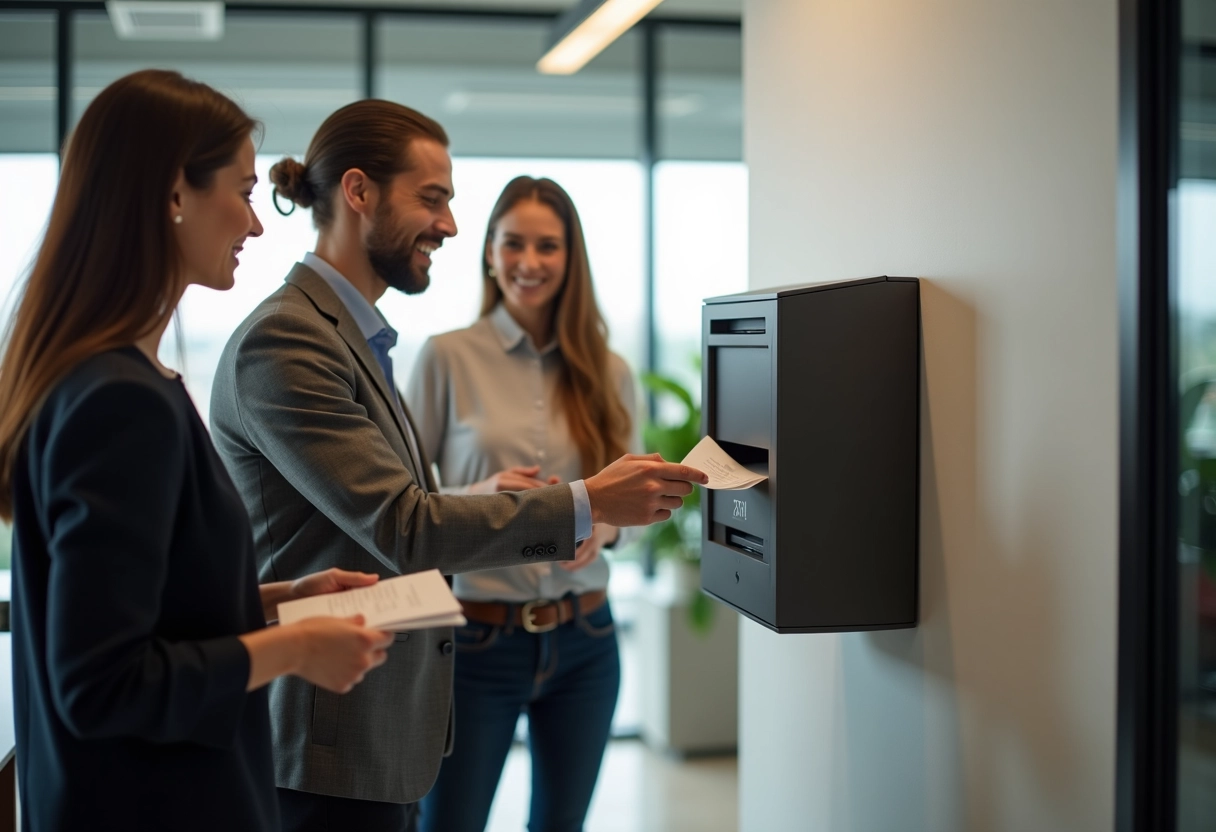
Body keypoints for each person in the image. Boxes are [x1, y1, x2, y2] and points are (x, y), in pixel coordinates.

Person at [209, 99, 707, 832]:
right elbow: (409, 521)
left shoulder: (358, 338)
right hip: (338, 730)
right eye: (433, 199)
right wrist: (587, 501)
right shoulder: (290, 342)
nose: (448, 225)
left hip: (502, 662)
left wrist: (602, 518)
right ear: (358, 193)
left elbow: (398, 509)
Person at [0, 70, 396, 831]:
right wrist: (295, 651)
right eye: (243, 191)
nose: (254, 224)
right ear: (173, 194)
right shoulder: (119, 401)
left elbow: (141, 614)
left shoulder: (104, 377)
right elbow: (104, 682)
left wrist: (280, 605)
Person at [406, 176, 639, 832]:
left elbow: (637, 504)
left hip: (587, 639)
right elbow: (403, 504)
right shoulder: (445, 357)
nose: (529, 262)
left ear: (571, 259)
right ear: (488, 252)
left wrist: (609, 532)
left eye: (548, 246)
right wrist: (477, 496)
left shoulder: (610, 370)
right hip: (476, 642)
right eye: (513, 243)